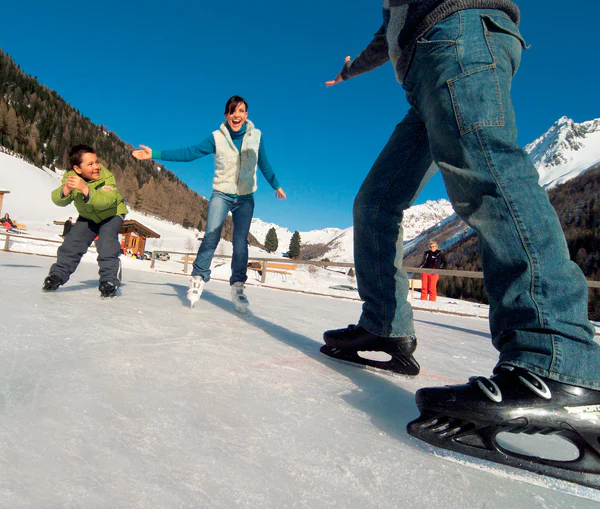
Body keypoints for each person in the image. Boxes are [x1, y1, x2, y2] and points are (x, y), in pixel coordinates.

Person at [320, 2, 600, 486]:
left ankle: (557, 359)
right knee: (376, 202)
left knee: (485, 169)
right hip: (425, 68)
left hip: (459, 34)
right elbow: (386, 33)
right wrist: (351, 70)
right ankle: (386, 325)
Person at [132, 95, 286, 312]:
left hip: (245, 198)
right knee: (212, 234)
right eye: (233, 111)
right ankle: (198, 277)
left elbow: (264, 164)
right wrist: (155, 154)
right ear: (226, 115)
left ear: (246, 115)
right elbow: (190, 153)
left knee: (240, 242)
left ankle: (238, 286)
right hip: (222, 194)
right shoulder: (217, 137)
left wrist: (276, 185)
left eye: (241, 111)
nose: (237, 115)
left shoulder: (256, 137)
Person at [43, 144, 127, 298]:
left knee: (106, 242)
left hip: (112, 214)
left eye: (97, 161)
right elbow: (58, 200)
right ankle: (57, 276)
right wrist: (66, 189)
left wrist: (85, 189)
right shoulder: (71, 178)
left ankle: (109, 281)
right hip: (88, 216)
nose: (96, 167)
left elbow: (106, 202)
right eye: (90, 164)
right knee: (72, 243)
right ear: (77, 169)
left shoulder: (106, 177)